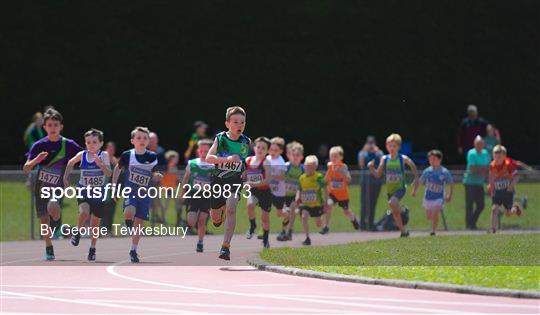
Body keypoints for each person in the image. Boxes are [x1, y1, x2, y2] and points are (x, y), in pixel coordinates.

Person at [23, 108, 82, 260]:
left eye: (56, 125)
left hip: (57, 188)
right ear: (45, 127)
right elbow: (26, 168)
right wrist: (37, 160)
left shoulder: (68, 144)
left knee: (53, 209)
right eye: (50, 125)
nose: (53, 128)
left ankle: (61, 225)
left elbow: (84, 156)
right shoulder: (38, 145)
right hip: (41, 186)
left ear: (61, 126)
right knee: (44, 221)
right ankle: (49, 247)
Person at [205, 106, 251, 260]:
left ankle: (225, 247)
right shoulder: (220, 139)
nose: (239, 125)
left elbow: (246, 162)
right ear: (227, 124)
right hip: (218, 181)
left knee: (232, 208)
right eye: (236, 122)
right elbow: (209, 158)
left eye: (242, 122)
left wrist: (246, 170)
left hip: (235, 182)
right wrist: (227, 159)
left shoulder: (246, 141)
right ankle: (219, 213)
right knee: (216, 219)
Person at [112, 126, 163, 263]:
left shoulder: (151, 156)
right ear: (132, 140)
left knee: (139, 223)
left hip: (144, 194)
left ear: (148, 141)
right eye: (139, 138)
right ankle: (128, 223)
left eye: (145, 138)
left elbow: (154, 172)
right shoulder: (127, 155)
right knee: (129, 211)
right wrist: (113, 186)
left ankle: (133, 250)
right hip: (130, 190)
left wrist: (157, 175)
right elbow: (117, 168)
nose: (142, 140)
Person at [63, 129, 112, 260]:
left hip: (98, 193)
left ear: (101, 143)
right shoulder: (82, 154)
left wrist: (101, 165)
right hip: (83, 190)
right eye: (88, 142)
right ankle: (77, 232)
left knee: (95, 223)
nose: (91, 145)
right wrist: (65, 178)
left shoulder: (104, 155)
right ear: (85, 143)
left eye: (95, 142)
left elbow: (109, 174)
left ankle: (92, 248)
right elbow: (70, 162)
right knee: (84, 212)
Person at [368, 133, 419, 238]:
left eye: (394, 146)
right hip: (390, 190)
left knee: (392, 203)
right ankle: (403, 231)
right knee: (394, 212)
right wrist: (371, 167)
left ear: (399, 147)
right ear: (386, 146)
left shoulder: (402, 158)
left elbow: (412, 164)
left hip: (400, 188)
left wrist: (416, 178)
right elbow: (378, 174)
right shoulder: (384, 159)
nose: (392, 148)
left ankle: (403, 210)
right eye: (390, 146)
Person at [181, 139, 214, 252]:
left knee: (202, 220)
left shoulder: (214, 165)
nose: (204, 153)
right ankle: (189, 225)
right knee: (191, 221)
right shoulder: (192, 163)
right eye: (202, 151)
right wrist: (182, 191)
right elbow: (185, 178)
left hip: (207, 196)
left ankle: (200, 242)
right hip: (193, 195)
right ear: (198, 151)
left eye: (206, 151)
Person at [412, 150, 453, 236]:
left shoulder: (444, 172)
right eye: (430, 159)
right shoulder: (427, 171)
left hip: (439, 197)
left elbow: (450, 183)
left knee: (435, 213)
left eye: (434, 159)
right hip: (428, 197)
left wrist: (449, 195)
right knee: (429, 216)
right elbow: (420, 182)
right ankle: (434, 222)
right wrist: (414, 191)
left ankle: (433, 231)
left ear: (439, 160)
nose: (432, 161)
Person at [322, 146, 359, 234]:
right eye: (331, 156)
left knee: (346, 212)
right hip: (333, 193)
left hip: (343, 195)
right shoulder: (330, 167)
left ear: (341, 157)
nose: (333, 158)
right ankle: (326, 226)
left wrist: (341, 172)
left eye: (335, 156)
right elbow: (326, 179)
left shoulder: (343, 167)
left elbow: (349, 179)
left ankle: (353, 218)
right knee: (329, 205)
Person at [244, 137, 272, 248]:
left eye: (263, 148)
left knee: (265, 219)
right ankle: (252, 225)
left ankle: (265, 239)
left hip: (265, 192)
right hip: (253, 191)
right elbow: (243, 174)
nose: (260, 150)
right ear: (254, 147)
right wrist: (244, 182)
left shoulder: (266, 162)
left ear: (267, 151)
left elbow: (268, 180)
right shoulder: (248, 160)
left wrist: (252, 183)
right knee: (250, 205)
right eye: (258, 147)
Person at [489, 145, 523, 233]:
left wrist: (510, 186)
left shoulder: (508, 165)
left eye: (499, 157)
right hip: (498, 191)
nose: (497, 159)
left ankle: (515, 208)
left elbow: (517, 176)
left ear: (504, 156)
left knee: (508, 213)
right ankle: (493, 229)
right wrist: (492, 189)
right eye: (495, 156)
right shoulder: (492, 165)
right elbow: (491, 178)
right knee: (494, 209)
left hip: (507, 191)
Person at [297, 155, 328, 246]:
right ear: (304, 166)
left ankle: (320, 220)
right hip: (306, 204)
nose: (309, 168)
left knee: (318, 224)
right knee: (304, 216)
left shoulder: (319, 177)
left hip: (317, 204)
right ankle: (307, 238)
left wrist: (326, 202)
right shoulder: (302, 178)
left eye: (312, 166)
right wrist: (298, 197)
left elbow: (325, 189)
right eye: (307, 166)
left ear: (315, 167)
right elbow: (300, 189)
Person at [277, 141, 304, 242]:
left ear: (301, 156)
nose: (295, 157)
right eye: (293, 155)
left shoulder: (302, 169)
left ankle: (290, 232)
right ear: (290, 156)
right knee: (286, 214)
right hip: (284, 196)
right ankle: (284, 231)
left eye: (298, 155)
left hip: (295, 196)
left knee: (292, 210)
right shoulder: (286, 167)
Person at [463, 136, 490, 230]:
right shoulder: (471, 153)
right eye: (478, 144)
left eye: (481, 144)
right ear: (474, 144)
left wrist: (481, 170)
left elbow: (488, 166)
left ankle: (472, 222)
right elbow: (472, 168)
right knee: (469, 204)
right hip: (470, 182)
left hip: (479, 183)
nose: (479, 146)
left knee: (481, 205)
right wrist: (482, 170)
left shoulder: (485, 153)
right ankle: (469, 225)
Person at [358, 136, 384, 230]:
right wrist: (364, 151)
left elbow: (383, 163)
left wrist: (377, 151)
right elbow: (361, 164)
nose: (371, 146)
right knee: (364, 203)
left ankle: (370, 224)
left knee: (373, 203)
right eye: (369, 143)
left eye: (372, 143)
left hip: (376, 182)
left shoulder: (379, 153)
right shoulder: (362, 153)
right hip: (365, 182)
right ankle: (362, 224)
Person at [267, 137, 290, 239]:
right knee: (264, 209)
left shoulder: (281, 161)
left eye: (276, 150)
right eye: (271, 149)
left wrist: (270, 176)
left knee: (280, 213)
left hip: (279, 192)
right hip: (268, 191)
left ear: (281, 151)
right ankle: (262, 230)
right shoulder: (267, 159)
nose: (272, 152)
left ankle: (285, 224)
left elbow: (282, 177)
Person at [148, 132, 167, 224]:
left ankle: (158, 216)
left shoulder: (160, 151)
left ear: (157, 140)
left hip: (158, 181)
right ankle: (154, 216)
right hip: (146, 180)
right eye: (150, 139)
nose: (151, 141)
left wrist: (158, 174)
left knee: (157, 200)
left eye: (153, 139)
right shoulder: (144, 150)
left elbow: (164, 166)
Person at [101, 141, 118, 234]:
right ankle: (101, 229)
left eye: (112, 148)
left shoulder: (116, 162)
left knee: (111, 209)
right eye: (109, 148)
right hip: (102, 188)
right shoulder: (102, 159)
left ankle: (109, 229)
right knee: (101, 209)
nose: (110, 150)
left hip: (113, 190)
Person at [161, 150, 181, 225]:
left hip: (172, 188)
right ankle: (163, 219)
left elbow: (175, 178)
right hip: (168, 189)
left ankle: (177, 220)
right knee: (167, 205)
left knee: (176, 204)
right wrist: (165, 187)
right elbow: (164, 178)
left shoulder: (173, 166)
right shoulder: (169, 166)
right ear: (171, 158)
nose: (177, 159)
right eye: (176, 158)